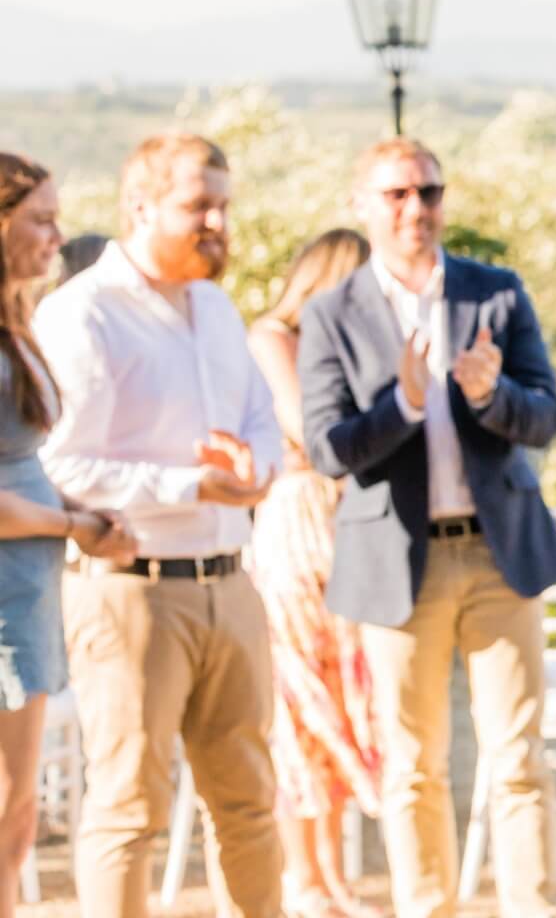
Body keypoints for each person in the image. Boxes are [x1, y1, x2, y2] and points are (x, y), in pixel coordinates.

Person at [299, 137, 556, 918]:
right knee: (413, 765)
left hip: (497, 553)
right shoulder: (332, 313)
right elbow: (327, 447)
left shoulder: (497, 292)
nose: (416, 208)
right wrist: (406, 406)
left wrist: (490, 397)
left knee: (517, 756)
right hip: (396, 562)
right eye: (396, 195)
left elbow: (544, 416)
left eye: (429, 192)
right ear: (362, 206)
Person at [34, 133, 285, 918]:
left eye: (223, 205)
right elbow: (64, 465)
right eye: (198, 205)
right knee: (129, 810)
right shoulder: (81, 314)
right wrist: (192, 486)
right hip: (132, 594)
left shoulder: (216, 306)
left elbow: (262, 421)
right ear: (139, 207)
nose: (217, 221)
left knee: (250, 801)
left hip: (231, 584)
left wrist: (259, 472)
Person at [0, 154, 133, 916]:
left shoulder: (20, 320)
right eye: (40, 220)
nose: (59, 236)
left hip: (29, 591)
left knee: (18, 820)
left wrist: (83, 511)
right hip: (6, 591)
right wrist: (73, 524)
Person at [247, 227, 381, 918]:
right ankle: (305, 879)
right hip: (296, 525)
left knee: (337, 695)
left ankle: (332, 877)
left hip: (343, 528)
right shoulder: (273, 337)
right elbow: (311, 433)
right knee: (301, 708)